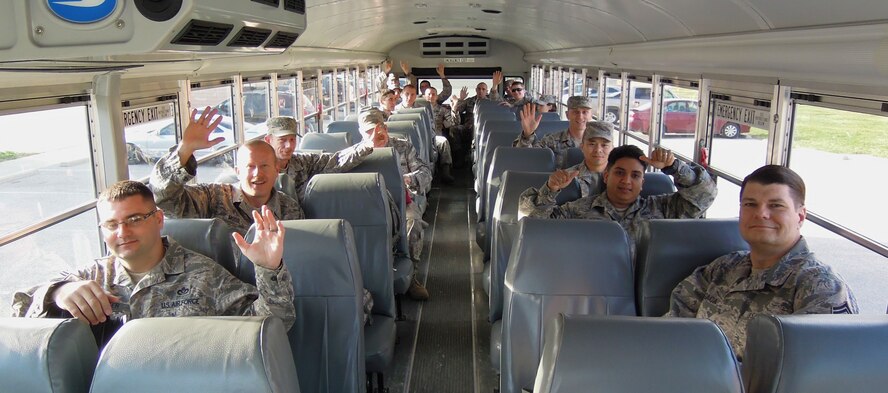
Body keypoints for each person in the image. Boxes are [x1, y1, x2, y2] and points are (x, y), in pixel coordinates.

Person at [11, 180, 296, 333]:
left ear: (159, 219)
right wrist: (58, 293)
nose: (122, 231)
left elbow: (272, 327)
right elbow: (19, 311)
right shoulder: (90, 277)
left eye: (135, 219)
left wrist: (269, 269)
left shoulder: (203, 276)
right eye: (111, 224)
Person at [664, 165, 858, 357]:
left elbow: (818, 375)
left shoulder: (821, 288)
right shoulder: (722, 268)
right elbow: (670, 330)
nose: (761, 214)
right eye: (750, 204)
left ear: (800, 216)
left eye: (776, 205)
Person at [519, 145, 716, 253]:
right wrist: (550, 189)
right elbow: (532, 225)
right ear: (606, 176)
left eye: (635, 176)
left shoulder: (662, 210)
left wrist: (674, 168)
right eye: (619, 173)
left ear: (643, 181)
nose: (627, 181)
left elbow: (705, 194)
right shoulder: (578, 211)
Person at [149, 107, 304, 234]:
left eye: (264, 166)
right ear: (238, 171)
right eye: (250, 167)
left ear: (277, 170)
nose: (257, 173)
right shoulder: (214, 198)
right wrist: (185, 149)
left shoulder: (290, 209)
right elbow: (164, 198)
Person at [359, 107, 431, 301]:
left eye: (378, 127)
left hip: (401, 202)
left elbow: (425, 172)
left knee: (412, 222)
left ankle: (411, 274)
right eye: (368, 131)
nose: (375, 134)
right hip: (366, 205)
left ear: (385, 126)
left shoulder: (402, 147)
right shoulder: (356, 154)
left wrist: (407, 180)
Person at [263, 116, 374, 200]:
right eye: (282, 140)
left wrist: (367, 145)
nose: (289, 146)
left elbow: (337, 160)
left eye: (292, 140)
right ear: (268, 140)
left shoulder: (302, 162)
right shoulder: (258, 171)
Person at [523, 122, 613, 200]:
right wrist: (551, 189)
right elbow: (531, 212)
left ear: (613, 148)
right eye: (592, 144)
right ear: (582, 147)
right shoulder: (564, 178)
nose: (598, 150)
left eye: (604, 145)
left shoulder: (623, 179)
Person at [514, 96, 596, 168]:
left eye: (585, 112)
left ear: (591, 115)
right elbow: (526, 158)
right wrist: (527, 135)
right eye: (575, 112)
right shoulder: (552, 140)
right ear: (567, 115)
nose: (580, 117)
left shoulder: (599, 143)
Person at [396, 84, 455, 184]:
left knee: (443, 141)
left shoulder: (423, 111)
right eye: (407, 94)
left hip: (425, 139)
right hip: (401, 141)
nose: (409, 97)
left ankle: (445, 170)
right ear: (401, 94)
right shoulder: (395, 111)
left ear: (416, 96)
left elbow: (430, 129)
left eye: (412, 94)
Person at [424, 85, 469, 183]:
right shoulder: (418, 109)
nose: (431, 96)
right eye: (429, 94)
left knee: (444, 142)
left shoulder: (442, 110)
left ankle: (446, 171)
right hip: (420, 137)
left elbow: (454, 123)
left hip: (434, 137)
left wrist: (454, 109)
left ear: (436, 96)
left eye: (433, 94)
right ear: (424, 96)